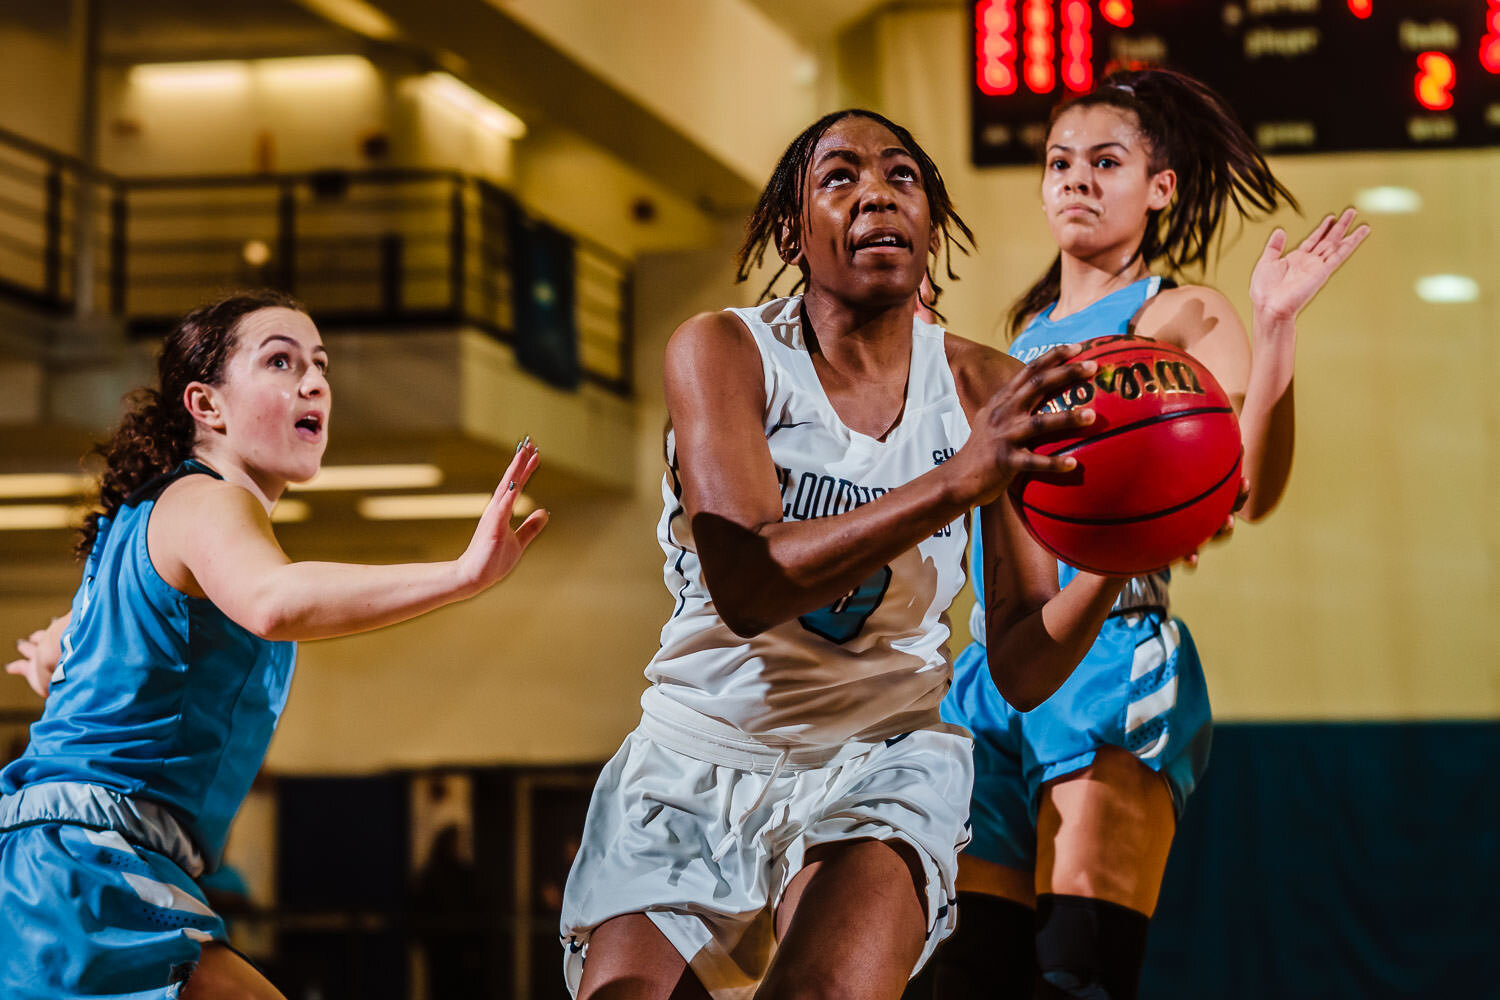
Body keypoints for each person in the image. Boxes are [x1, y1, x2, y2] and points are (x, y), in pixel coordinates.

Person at [557, 108, 1139, 1000]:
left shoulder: (987, 387)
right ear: (794, 232)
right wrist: (956, 481)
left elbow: (1021, 666)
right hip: (699, 751)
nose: (876, 191)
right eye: (840, 176)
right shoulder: (724, 350)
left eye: (902, 176)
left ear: (932, 225)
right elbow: (750, 585)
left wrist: (1115, 558)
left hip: (879, 752)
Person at [906, 68, 1369, 1000]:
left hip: (1111, 654)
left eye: (1105, 162)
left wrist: (1275, 331)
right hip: (993, 663)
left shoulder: (1180, 314)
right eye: (1059, 163)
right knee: (961, 974)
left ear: (1160, 187)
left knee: (1077, 974)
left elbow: (1246, 489)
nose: (1076, 179)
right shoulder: (1019, 340)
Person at [0, 290, 548, 999]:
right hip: (86, 867)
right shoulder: (207, 501)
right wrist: (460, 575)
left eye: (319, 365)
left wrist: (58, 669)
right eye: (281, 362)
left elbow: (113, 669)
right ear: (207, 405)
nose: (314, 381)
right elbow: (271, 601)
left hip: (54, 861)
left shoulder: (152, 515)